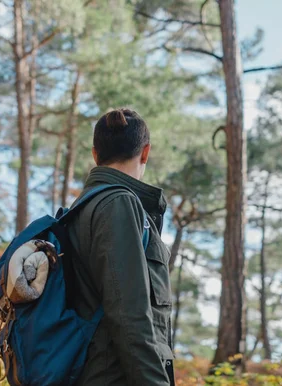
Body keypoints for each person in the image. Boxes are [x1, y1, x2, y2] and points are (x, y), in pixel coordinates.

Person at [67, 108, 174, 385]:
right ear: (145, 152)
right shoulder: (118, 205)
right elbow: (130, 318)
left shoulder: (81, 209)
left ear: (95, 154)